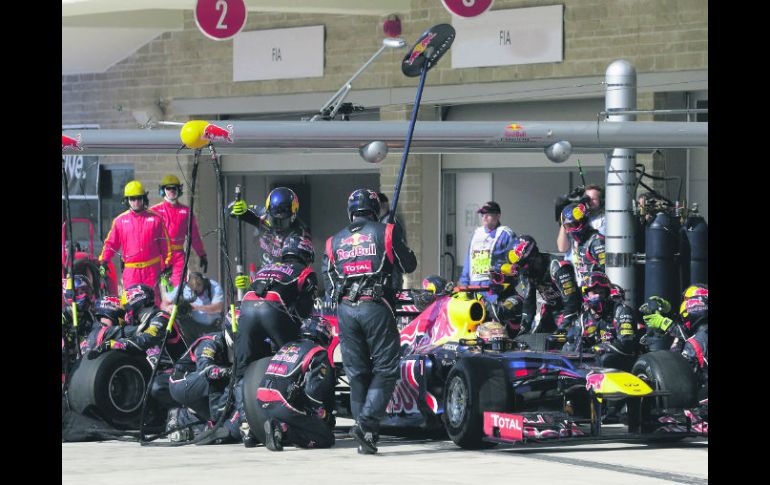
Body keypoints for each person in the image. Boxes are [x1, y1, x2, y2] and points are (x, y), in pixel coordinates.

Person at [323, 188, 416, 455]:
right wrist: (392, 238)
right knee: (386, 369)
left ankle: (366, 435)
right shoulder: (385, 231)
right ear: (374, 209)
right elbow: (408, 264)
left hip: (345, 310)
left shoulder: (333, 241)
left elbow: (329, 281)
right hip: (375, 306)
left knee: (357, 373)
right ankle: (366, 423)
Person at [234, 234, 318, 381]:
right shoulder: (306, 272)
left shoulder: (265, 268)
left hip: (246, 308)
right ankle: (288, 395)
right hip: (272, 310)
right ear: (306, 254)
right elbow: (304, 314)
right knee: (291, 359)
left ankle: (238, 397)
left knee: (243, 366)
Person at [258, 316, 337, 451]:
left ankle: (279, 428)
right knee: (326, 438)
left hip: (261, 400)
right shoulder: (318, 352)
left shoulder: (286, 346)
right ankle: (283, 430)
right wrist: (322, 414)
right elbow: (313, 391)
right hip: (284, 403)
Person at [99, 181, 171, 306]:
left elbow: (165, 246)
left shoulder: (156, 219)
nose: (136, 201)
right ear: (127, 200)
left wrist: (167, 266)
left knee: (153, 303)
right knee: (130, 304)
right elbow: (111, 244)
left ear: (144, 198)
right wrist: (104, 261)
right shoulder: (120, 221)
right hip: (131, 272)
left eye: (139, 198)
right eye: (132, 198)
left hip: (152, 270)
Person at [167, 326, 240, 443]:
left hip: (198, 383)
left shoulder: (241, 344)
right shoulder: (211, 342)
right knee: (219, 377)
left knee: (208, 421)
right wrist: (227, 372)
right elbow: (205, 369)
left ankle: (184, 418)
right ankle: (216, 422)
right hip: (181, 381)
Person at [502, 235, 580, 335]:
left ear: (534, 257)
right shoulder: (525, 273)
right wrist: (524, 328)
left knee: (562, 340)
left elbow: (571, 302)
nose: (522, 270)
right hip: (550, 310)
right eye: (519, 267)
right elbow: (528, 303)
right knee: (533, 339)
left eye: (523, 265)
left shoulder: (557, 266)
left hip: (570, 311)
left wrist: (564, 327)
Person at [562, 272, 637, 371]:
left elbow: (627, 344)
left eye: (601, 292)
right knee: (566, 351)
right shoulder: (582, 319)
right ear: (586, 295)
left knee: (605, 359)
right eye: (594, 293)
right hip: (592, 367)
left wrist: (596, 349)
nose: (598, 296)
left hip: (620, 363)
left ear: (607, 293)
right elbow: (574, 347)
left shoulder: (621, 310)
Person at [228, 187, 312, 272]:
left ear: (293, 216)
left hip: (283, 275)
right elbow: (228, 210)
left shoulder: (301, 231)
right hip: (260, 270)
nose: (278, 226)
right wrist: (237, 207)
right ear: (268, 212)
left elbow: (302, 264)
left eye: (283, 221)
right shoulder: (262, 214)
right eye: (274, 220)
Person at [150, 174, 208, 287]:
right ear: (163, 190)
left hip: (178, 256)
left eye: (174, 188)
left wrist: (202, 254)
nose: (171, 191)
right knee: (158, 288)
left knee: (178, 288)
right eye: (168, 188)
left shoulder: (186, 211)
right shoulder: (154, 211)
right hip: (160, 256)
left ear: (179, 190)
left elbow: (194, 236)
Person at [457, 201, 516, 302]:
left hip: (494, 291)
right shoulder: (476, 234)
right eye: (483, 214)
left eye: (488, 214)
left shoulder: (505, 234)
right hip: (474, 289)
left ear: (498, 216)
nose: (484, 217)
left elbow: (516, 263)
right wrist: (464, 284)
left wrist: (505, 285)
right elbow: (469, 260)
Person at [559, 203, 605, 286]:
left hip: (597, 292)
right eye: (566, 226)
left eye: (571, 225)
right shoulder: (581, 243)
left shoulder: (596, 242)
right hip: (585, 291)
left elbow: (607, 272)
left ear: (583, 222)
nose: (568, 230)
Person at [556, 184, 605, 256]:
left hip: (591, 263)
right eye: (587, 198)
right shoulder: (575, 219)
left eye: (594, 199)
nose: (589, 201)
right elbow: (562, 248)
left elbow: (600, 244)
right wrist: (566, 216)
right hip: (573, 265)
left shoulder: (604, 219)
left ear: (601, 201)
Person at [377, 192, 406, 290]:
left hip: (392, 271)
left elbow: (397, 248)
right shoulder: (381, 221)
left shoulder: (389, 222)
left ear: (383, 205)